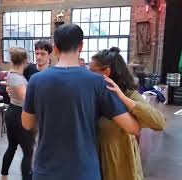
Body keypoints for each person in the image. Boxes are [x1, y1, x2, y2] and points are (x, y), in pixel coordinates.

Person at [21, 24, 140, 180]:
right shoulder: (98, 82)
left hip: (46, 170)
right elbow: (132, 128)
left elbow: (27, 123)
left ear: (55, 48)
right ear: (81, 47)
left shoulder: (36, 81)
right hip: (84, 171)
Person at [89, 47, 166, 180]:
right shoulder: (94, 94)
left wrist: (124, 99)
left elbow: (159, 123)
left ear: (106, 72)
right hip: (95, 163)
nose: (88, 74)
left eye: (92, 71)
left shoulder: (129, 94)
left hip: (119, 165)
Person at [1, 47, 35, 180]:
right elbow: (27, 99)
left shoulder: (12, 73)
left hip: (13, 112)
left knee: (12, 147)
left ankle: (3, 176)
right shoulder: (18, 78)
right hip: (18, 115)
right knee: (28, 152)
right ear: (25, 60)